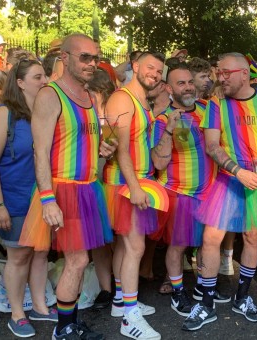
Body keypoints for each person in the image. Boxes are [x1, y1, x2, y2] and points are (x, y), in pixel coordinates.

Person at [18, 33, 115, 339]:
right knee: (77, 260)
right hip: (64, 190)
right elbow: (40, 151)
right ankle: (63, 329)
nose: (92, 63)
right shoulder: (50, 95)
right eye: (84, 57)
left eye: (95, 57)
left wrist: (102, 149)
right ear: (65, 57)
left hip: (88, 188)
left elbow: (80, 141)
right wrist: (47, 198)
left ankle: (69, 322)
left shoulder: (90, 96)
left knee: (79, 259)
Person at [182, 52, 257, 331]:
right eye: (219, 72)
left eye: (226, 73)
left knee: (252, 237)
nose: (220, 77)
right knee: (211, 238)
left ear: (244, 74)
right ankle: (205, 302)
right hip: (229, 178)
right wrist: (238, 172)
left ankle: (243, 296)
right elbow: (212, 146)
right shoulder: (216, 105)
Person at [0, 59, 54, 337]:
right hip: (13, 198)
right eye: (38, 77)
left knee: (41, 253)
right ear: (20, 82)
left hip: (42, 197)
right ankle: (17, 313)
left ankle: (40, 307)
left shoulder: (45, 112)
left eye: (45, 75)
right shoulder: (5, 114)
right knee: (19, 256)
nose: (45, 81)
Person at [149, 64, 216, 316]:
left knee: (206, 245)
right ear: (168, 88)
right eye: (180, 83)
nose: (188, 86)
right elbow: (158, 163)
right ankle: (178, 293)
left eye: (189, 82)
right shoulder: (163, 119)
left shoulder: (207, 110)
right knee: (177, 246)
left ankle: (203, 288)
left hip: (209, 193)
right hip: (180, 193)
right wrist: (169, 128)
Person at [108, 51, 164, 339]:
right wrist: (135, 187)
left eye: (159, 71)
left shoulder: (142, 99)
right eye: (150, 67)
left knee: (124, 246)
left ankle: (122, 302)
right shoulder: (122, 98)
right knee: (135, 248)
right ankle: (130, 318)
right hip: (124, 182)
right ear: (135, 66)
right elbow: (121, 149)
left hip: (134, 180)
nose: (154, 73)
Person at [86, 68, 117, 310]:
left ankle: (121, 285)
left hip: (114, 178)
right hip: (92, 179)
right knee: (99, 238)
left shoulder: (115, 110)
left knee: (120, 238)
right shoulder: (83, 111)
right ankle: (106, 288)